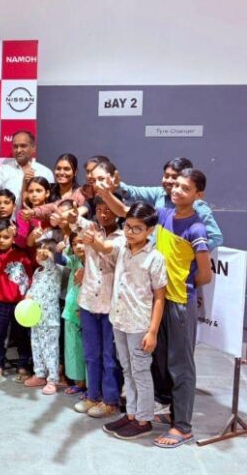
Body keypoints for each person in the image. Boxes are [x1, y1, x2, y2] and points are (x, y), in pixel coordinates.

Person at [98, 169, 213, 448]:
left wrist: (184, 286)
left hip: (178, 303)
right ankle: (156, 412)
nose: (177, 191)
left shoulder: (197, 229)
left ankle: (183, 427)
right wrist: (105, 192)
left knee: (180, 366)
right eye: (176, 185)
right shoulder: (163, 215)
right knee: (158, 362)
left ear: (198, 195)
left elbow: (205, 275)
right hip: (154, 302)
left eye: (185, 188)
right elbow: (125, 212)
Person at [83, 202, 167, 440]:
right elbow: (104, 246)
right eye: (128, 226)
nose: (130, 232)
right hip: (119, 320)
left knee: (140, 371)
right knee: (127, 370)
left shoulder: (155, 258)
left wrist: (152, 332)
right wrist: (92, 239)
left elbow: (159, 298)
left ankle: (144, 419)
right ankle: (131, 414)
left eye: (137, 228)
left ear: (150, 230)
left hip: (140, 325)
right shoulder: (122, 245)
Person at [70, 162, 124, 418]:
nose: (103, 214)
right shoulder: (90, 227)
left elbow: (108, 252)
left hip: (112, 305)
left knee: (109, 356)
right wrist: (69, 216)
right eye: (100, 210)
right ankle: (92, 395)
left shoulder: (123, 237)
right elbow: (73, 221)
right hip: (89, 302)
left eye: (108, 210)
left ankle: (110, 400)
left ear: (118, 212)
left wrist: (97, 243)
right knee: (91, 354)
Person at [116, 157, 223, 251]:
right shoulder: (161, 199)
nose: (169, 181)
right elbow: (131, 195)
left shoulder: (198, 207)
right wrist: (114, 185)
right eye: (166, 176)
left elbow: (216, 238)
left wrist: (188, 253)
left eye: (174, 178)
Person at [0, 214, 33, 381]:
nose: (1, 240)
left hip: (20, 304)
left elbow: (29, 276)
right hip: (1, 303)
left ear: (14, 237)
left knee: (22, 336)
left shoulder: (22, 255)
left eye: (6, 237)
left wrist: (28, 294)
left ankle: (23, 366)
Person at [23, 239, 64, 394]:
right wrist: (28, 296)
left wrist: (49, 257)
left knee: (50, 349)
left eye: (45, 251)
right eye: (39, 250)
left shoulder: (56, 270)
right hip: (35, 316)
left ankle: (52, 379)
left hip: (50, 318)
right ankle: (39, 374)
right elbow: (33, 288)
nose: (41, 254)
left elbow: (51, 264)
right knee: (36, 346)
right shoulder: (37, 272)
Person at [0, 130, 54, 208]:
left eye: (23, 146)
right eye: (15, 146)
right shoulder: (3, 170)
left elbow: (51, 202)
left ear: (33, 148)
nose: (18, 150)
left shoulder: (45, 172)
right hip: (10, 216)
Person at [60, 232, 87, 396]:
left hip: (87, 314)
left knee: (87, 351)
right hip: (70, 312)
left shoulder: (96, 263)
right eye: (74, 243)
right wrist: (59, 250)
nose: (78, 246)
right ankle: (80, 382)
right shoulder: (74, 261)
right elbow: (61, 260)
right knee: (73, 350)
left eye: (81, 242)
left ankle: (91, 387)